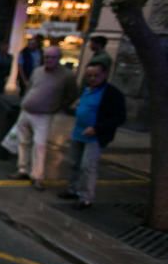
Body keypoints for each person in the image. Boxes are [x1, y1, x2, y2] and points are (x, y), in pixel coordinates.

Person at [58, 62, 126, 209]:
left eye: (96, 75)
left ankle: (86, 198)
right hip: (79, 133)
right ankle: (73, 189)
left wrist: (97, 128)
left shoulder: (112, 94)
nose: (92, 78)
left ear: (105, 75)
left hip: (95, 136)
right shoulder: (87, 89)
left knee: (87, 167)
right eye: (89, 75)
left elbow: (119, 117)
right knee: (74, 163)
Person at [10, 46, 77, 190]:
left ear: (59, 58)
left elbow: (72, 94)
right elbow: (30, 88)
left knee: (39, 145)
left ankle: (37, 176)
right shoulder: (38, 71)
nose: (49, 60)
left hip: (44, 115)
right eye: (46, 57)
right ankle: (23, 169)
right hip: (26, 111)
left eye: (52, 57)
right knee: (23, 142)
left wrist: (59, 106)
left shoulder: (67, 76)